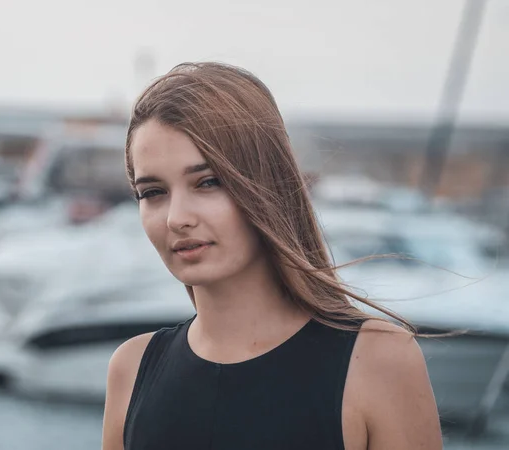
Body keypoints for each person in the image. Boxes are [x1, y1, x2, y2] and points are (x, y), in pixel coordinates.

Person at [101, 62, 442, 450]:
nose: (177, 218)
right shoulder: (130, 370)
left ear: (267, 183)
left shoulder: (379, 361)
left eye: (208, 182)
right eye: (153, 192)